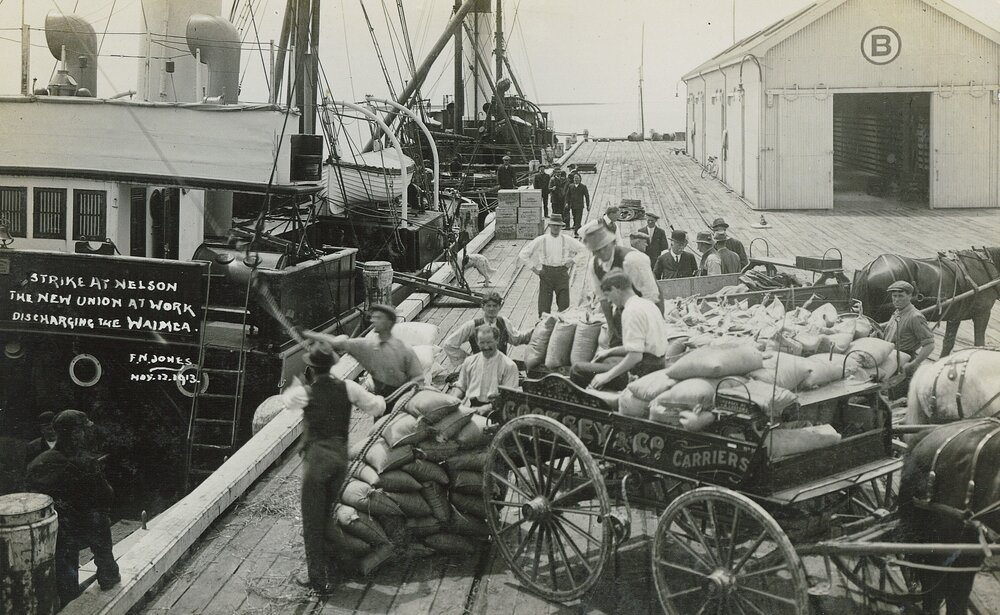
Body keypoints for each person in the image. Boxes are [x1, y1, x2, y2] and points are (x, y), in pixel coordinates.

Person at [295, 343, 386, 594]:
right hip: (339, 460)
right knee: (326, 518)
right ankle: (349, 566)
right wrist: (378, 393)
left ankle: (318, 580)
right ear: (333, 365)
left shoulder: (307, 392)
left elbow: (289, 403)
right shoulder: (349, 388)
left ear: (311, 369)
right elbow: (378, 407)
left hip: (317, 462)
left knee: (313, 522)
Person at [27, 410, 120, 606]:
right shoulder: (85, 462)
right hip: (78, 529)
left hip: (50, 532)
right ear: (75, 433)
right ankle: (107, 572)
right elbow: (106, 496)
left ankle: (68, 596)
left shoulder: (39, 462)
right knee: (99, 519)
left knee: (65, 562)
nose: (86, 434)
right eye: (83, 430)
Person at [570, 271, 668, 390]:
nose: (610, 301)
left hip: (642, 371)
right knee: (606, 358)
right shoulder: (647, 304)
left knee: (577, 369)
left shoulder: (631, 311)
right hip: (657, 363)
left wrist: (606, 376)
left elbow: (635, 356)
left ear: (615, 289)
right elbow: (642, 346)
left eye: (608, 295)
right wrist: (610, 351)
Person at [305, 304, 423, 397]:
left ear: (389, 322)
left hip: (402, 401)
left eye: (378, 318)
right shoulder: (367, 345)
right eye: (373, 317)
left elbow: (418, 379)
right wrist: (309, 334)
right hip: (382, 403)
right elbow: (337, 342)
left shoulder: (404, 350)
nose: (372, 320)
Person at [582, 220, 661, 347]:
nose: (601, 254)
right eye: (597, 251)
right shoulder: (594, 265)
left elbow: (652, 296)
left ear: (612, 243)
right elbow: (603, 298)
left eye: (604, 248)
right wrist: (611, 327)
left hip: (647, 306)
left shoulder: (633, 260)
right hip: (622, 308)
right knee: (615, 345)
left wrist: (650, 328)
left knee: (644, 348)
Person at [518, 214, 587, 317]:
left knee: (564, 308)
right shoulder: (541, 239)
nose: (556, 228)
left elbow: (584, 250)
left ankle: (562, 328)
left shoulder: (567, 239)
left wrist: (572, 261)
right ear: (549, 226)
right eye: (554, 225)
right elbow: (523, 254)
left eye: (558, 226)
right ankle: (542, 327)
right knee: (544, 307)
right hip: (546, 274)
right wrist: (535, 270)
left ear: (561, 227)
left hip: (562, 273)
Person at [442, 291, 533, 364]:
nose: (491, 309)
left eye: (495, 306)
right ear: (483, 307)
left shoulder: (504, 322)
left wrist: (535, 330)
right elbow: (449, 344)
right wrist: (468, 360)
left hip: (501, 367)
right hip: (479, 368)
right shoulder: (472, 325)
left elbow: (517, 339)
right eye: (488, 306)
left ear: (499, 307)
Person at [882, 280, 935, 399]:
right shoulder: (897, 312)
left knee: (900, 400)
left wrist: (914, 363)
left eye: (901, 296)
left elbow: (929, 344)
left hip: (905, 365)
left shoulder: (915, 317)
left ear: (910, 296)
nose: (896, 299)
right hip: (892, 362)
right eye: (894, 296)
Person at [449, 324, 519, 411]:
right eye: (482, 342)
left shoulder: (509, 365)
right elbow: (461, 386)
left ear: (497, 340)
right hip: (474, 408)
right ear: (477, 342)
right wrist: (453, 400)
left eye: (489, 342)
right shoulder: (469, 362)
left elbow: (510, 398)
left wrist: (486, 408)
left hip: (497, 410)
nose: (486, 346)